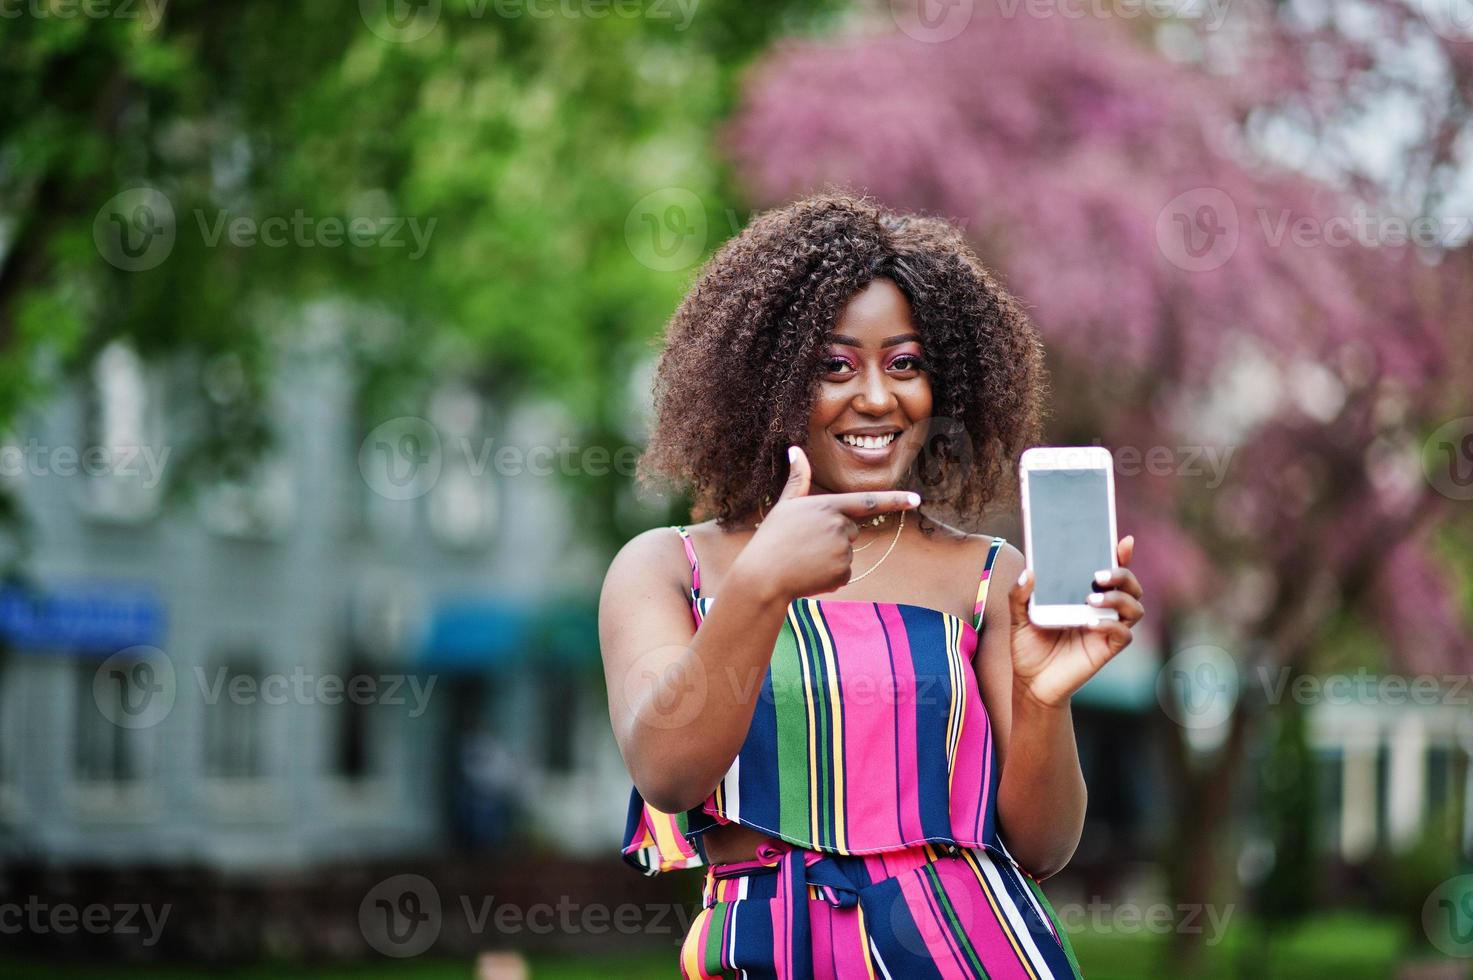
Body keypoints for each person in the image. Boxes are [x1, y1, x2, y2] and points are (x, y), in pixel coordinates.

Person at [599, 193, 1144, 978]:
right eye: (833, 366)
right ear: (768, 378)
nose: (878, 398)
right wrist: (760, 587)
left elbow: (1042, 848)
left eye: (905, 363)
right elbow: (668, 770)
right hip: (770, 951)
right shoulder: (664, 567)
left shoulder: (990, 577)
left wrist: (1041, 699)